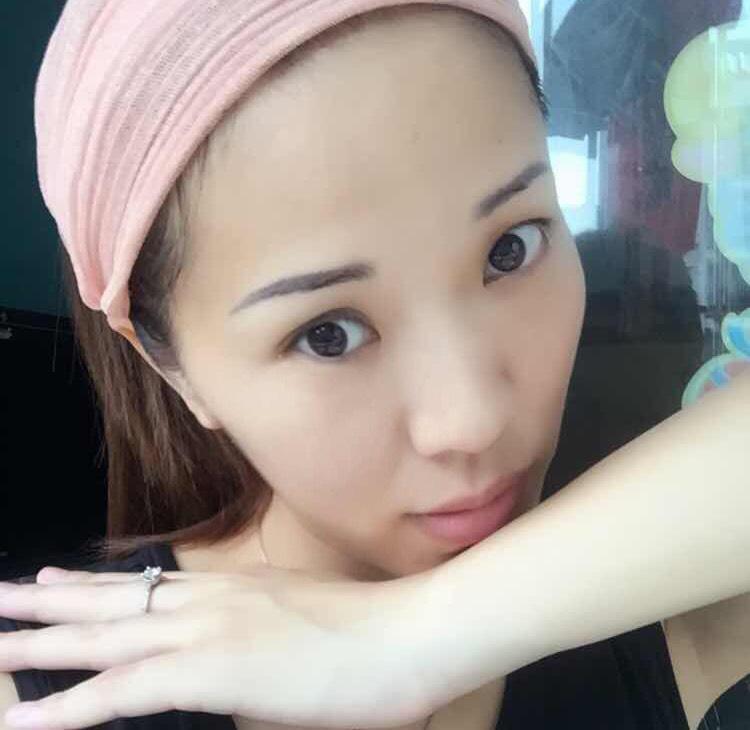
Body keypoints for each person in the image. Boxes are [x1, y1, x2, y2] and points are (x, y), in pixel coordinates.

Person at [1, 1, 749, 729]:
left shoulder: (657, 602)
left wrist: (410, 638)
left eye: (510, 249)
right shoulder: (39, 696)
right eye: (327, 334)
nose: (472, 420)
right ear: (174, 370)